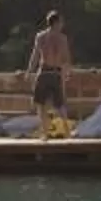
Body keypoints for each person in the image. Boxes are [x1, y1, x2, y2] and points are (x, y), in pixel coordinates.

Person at [26, 10, 72, 138]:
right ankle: (67, 130)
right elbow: (66, 58)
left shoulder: (40, 36)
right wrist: (67, 72)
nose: (62, 24)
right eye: (61, 22)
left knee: (41, 104)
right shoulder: (62, 38)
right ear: (56, 23)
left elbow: (35, 56)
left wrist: (29, 71)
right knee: (59, 104)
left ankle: (45, 132)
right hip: (56, 72)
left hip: (44, 72)